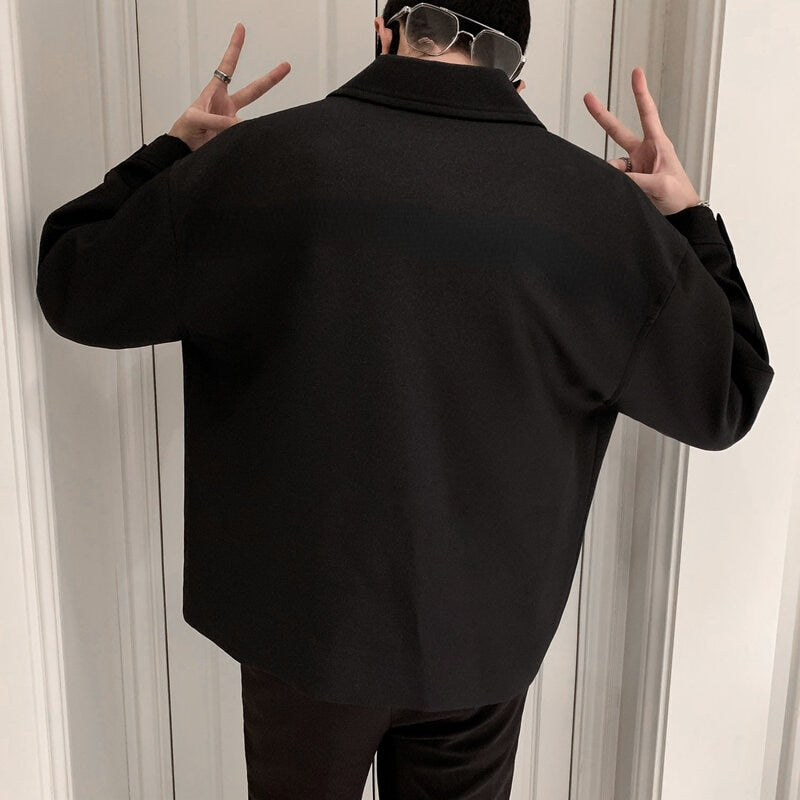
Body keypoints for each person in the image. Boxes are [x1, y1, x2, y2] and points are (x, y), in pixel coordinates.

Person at [35, 2, 774, 798]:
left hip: (303, 633)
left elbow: (78, 280)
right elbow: (727, 393)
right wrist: (687, 218)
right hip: (480, 643)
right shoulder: (601, 212)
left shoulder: (258, 162)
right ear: (516, 76)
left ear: (384, 32)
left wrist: (174, 151)